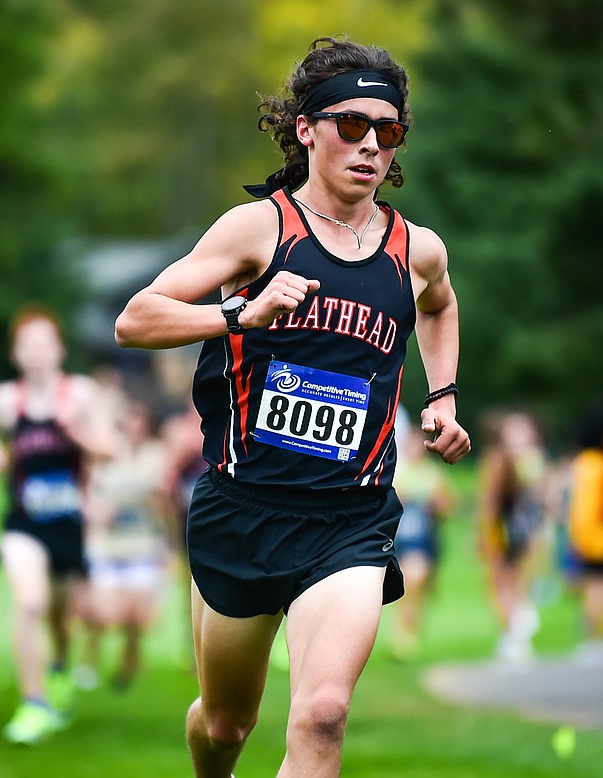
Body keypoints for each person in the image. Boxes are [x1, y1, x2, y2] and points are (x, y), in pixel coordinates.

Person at [113, 36, 470, 778]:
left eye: (389, 130)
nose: (370, 144)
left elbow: (438, 304)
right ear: (306, 129)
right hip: (242, 511)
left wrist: (443, 395)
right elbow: (136, 319)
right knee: (224, 723)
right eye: (351, 126)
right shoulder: (261, 231)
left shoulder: (416, 249)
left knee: (322, 715)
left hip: (351, 517)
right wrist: (239, 315)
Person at [0, 305, 116, 745]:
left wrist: (80, 436)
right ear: (16, 353)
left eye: (44, 343)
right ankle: (33, 704)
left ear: (59, 349)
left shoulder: (81, 394)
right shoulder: (5, 399)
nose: (36, 352)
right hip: (23, 523)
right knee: (30, 603)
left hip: (69, 525)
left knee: (60, 619)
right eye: (27, 344)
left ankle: (58, 669)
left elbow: (111, 448)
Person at [77, 398, 173, 693]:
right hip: (106, 545)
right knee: (101, 613)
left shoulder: (157, 455)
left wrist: (168, 544)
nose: (133, 428)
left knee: (137, 618)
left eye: (139, 422)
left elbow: (164, 499)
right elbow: (86, 491)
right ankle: (89, 661)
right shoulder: (105, 453)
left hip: (143, 545)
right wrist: (93, 512)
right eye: (128, 422)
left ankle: (128, 665)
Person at [476, 409, 547, 663]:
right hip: (525, 529)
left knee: (499, 585)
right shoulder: (533, 461)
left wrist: (483, 535)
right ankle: (517, 634)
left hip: (503, 531)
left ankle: (513, 634)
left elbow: (490, 501)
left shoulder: (496, 459)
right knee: (517, 584)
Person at [388, 410, 456, 661]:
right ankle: (403, 634)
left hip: (424, 541)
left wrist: (437, 505)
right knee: (407, 584)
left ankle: (408, 632)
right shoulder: (396, 474)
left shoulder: (433, 476)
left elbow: (450, 504)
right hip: (399, 541)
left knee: (416, 585)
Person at [565, 396, 603, 665]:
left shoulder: (589, 463)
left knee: (596, 589)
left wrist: (577, 538)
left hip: (594, 537)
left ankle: (596, 641)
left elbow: (584, 508)